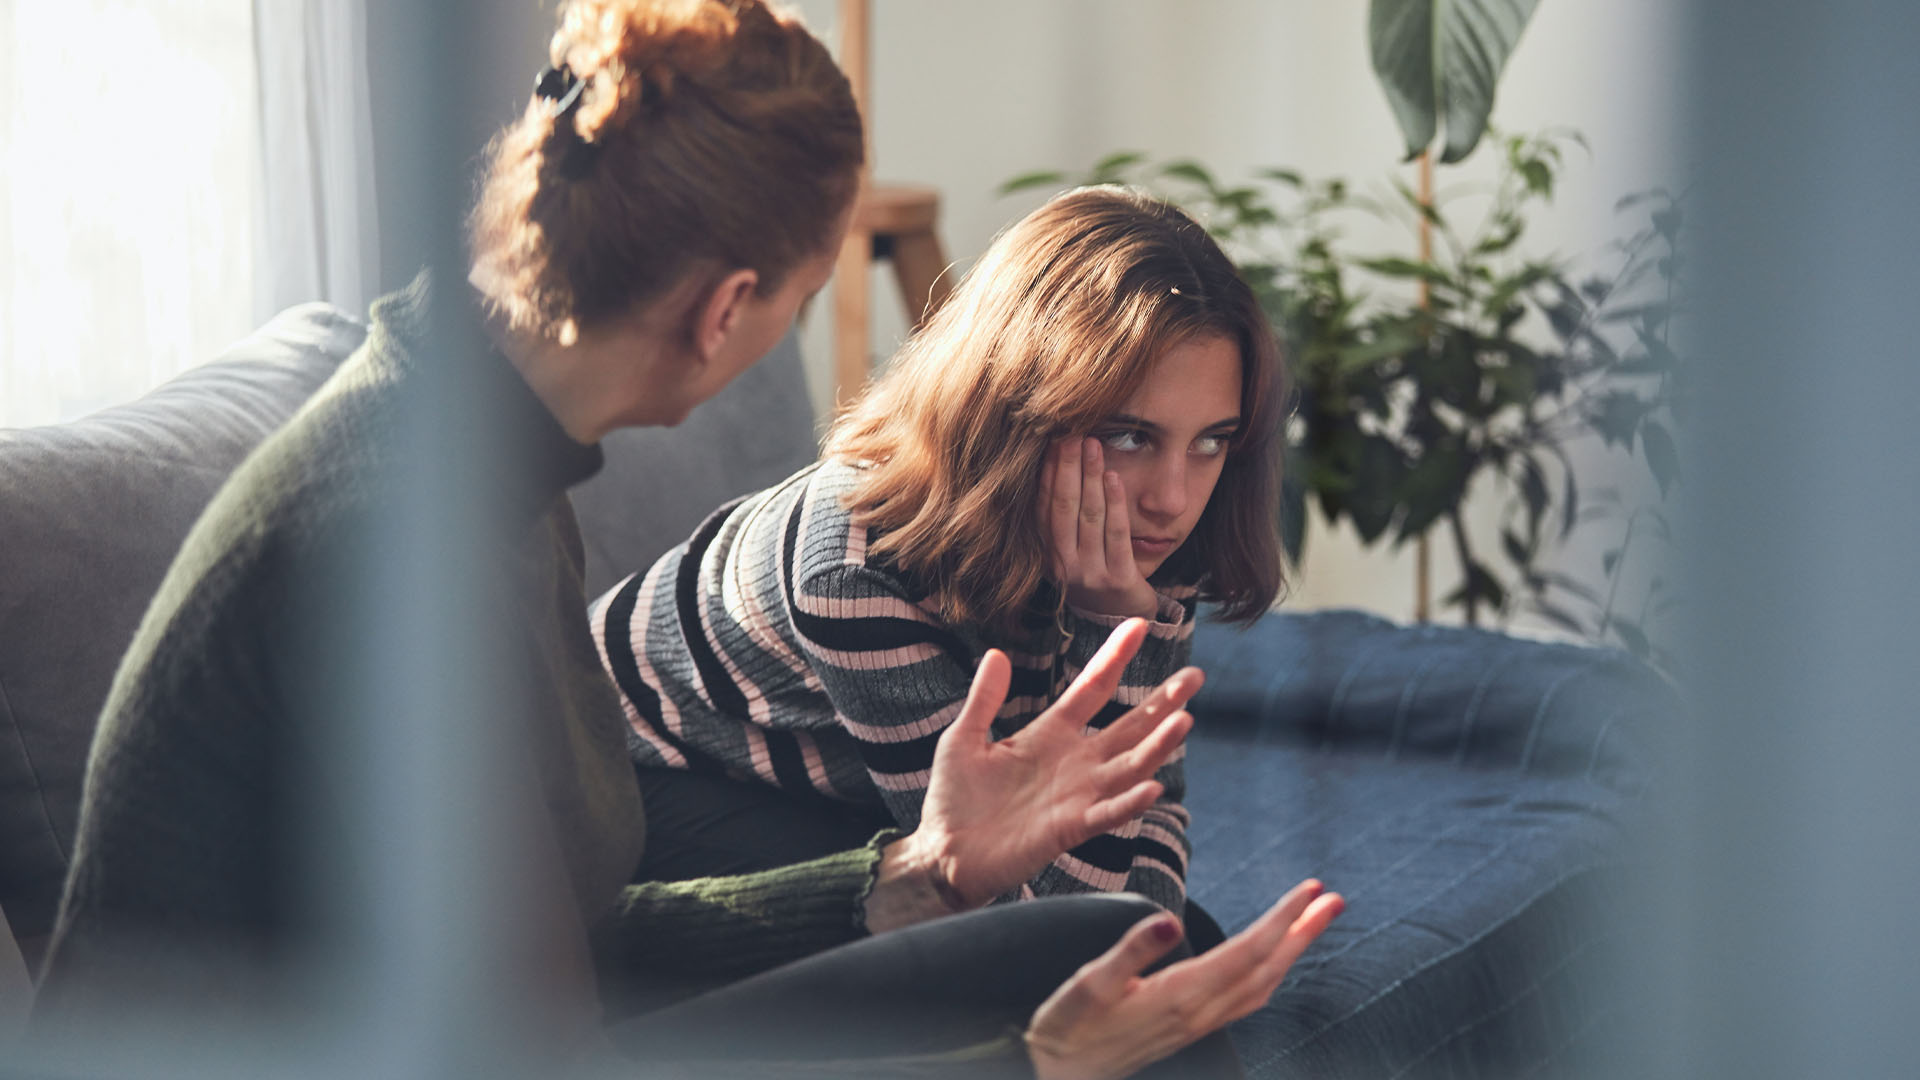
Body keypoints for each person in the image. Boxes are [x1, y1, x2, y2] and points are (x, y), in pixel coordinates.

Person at [33, 2, 1339, 1077]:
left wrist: (920, 871)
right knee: (1130, 1029)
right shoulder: (388, 546)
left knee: (1151, 976)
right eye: (810, 292)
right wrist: (1028, 1063)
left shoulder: (478, 461)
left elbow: (584, 940)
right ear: (728, 309)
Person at [593, 186, 1288, 930]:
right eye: (1129, 436)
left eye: (1211, 440)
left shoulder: (1146, 531)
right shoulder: (856, 565)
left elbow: (1146, 815)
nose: (1174, 498)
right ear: (1020, 408)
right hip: (644, 784)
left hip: (862, 793)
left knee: (1178, 941)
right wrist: (1110, 629)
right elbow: (1023, 911)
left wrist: (1144, 935)